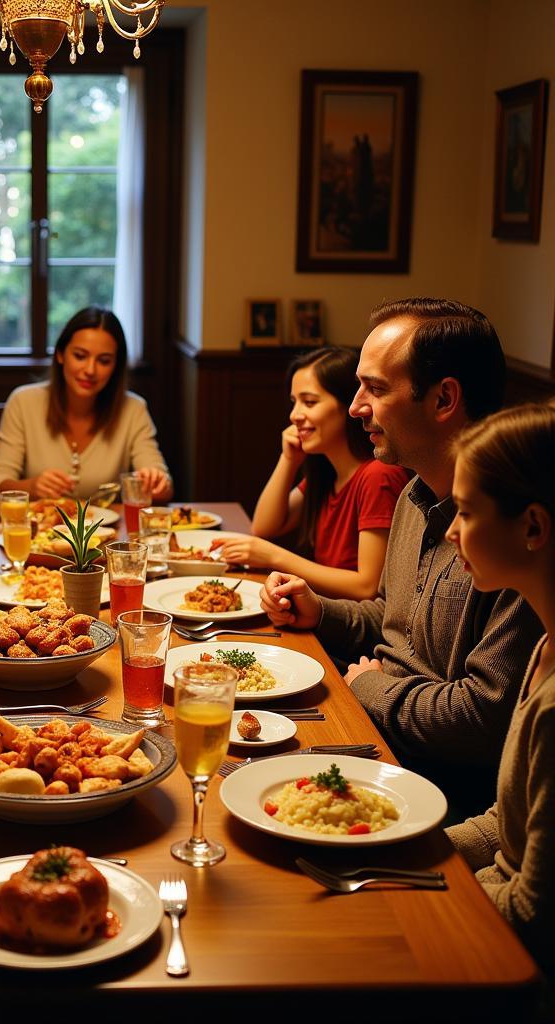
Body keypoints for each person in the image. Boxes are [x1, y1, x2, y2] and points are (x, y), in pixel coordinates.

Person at [258, 298, 544, 817]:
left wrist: (373, 688)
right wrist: (320, 611)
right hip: (372, 736)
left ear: (443, 399)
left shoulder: (509, 535)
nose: (355, 407)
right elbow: (389, 619)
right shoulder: (414, 495)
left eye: (377, 388)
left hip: (431, 787)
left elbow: (481, 721)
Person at [444, 403, 555, 974]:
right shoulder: (543, 648)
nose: (450, 531)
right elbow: (501, 827)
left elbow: (532, 916)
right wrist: (406, 848)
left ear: (533, 527)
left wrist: (421, 891)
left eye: (464, 512)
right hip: (488, 907)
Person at [219, 347, 407, 599]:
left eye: (309, 402)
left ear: (349, 406)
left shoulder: (377, 475)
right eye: (294, 402)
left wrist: (274, 556)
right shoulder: (328, 473)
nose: (294, 415)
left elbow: (367, 586)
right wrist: (288, 460)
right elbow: (264, 526)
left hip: (350, 628)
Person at [0, 307, 172, 501]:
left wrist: (156, 481)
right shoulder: (23, 402)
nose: (90, 370)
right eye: (80, 356)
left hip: (106, 529)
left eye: (104, 361)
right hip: (41, 527)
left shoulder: (133, 408)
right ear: (60, 354)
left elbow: (163, 483)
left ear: (115, 366)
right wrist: (32, 487)